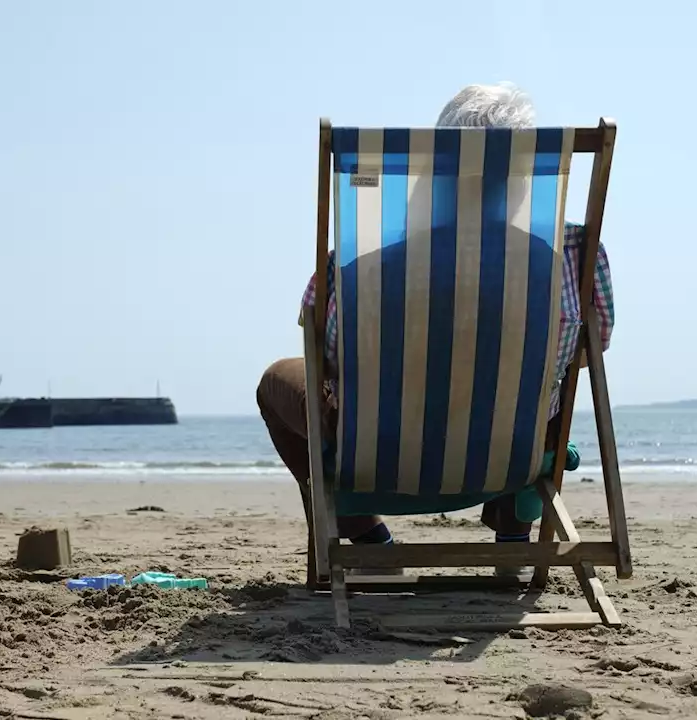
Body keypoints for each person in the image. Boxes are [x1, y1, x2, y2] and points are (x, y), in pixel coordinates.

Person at [256, 83, 615, 577]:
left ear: (438, 168)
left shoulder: (360, 271)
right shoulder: (572, 259)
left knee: (281, 380)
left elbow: (333, 362)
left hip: (381, 459)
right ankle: (513, 533)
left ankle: (367, 538)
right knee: (536, 382)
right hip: (511, 457)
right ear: (526, 174)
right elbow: (585, 356)